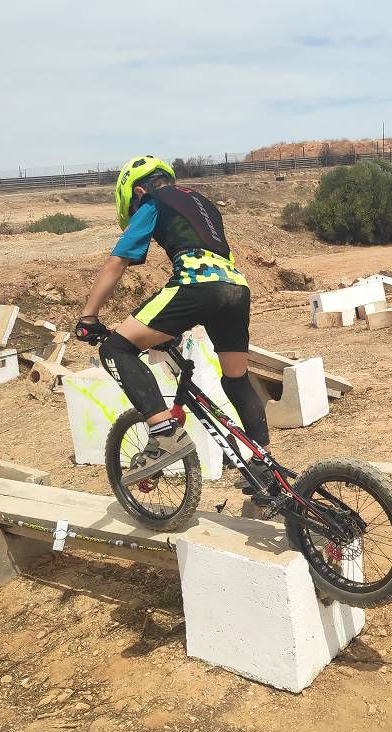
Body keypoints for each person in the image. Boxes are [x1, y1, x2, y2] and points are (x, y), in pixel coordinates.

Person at [75, 155, 272, 490]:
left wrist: (88, 316)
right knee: (236, 380)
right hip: (237, 287)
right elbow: (213, 257)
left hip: (197, 284)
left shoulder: (154, 200)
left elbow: (117, 261)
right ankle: (264, 465)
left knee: (115, 348)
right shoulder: (205, 204)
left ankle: (163, 431)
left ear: (138, 191)